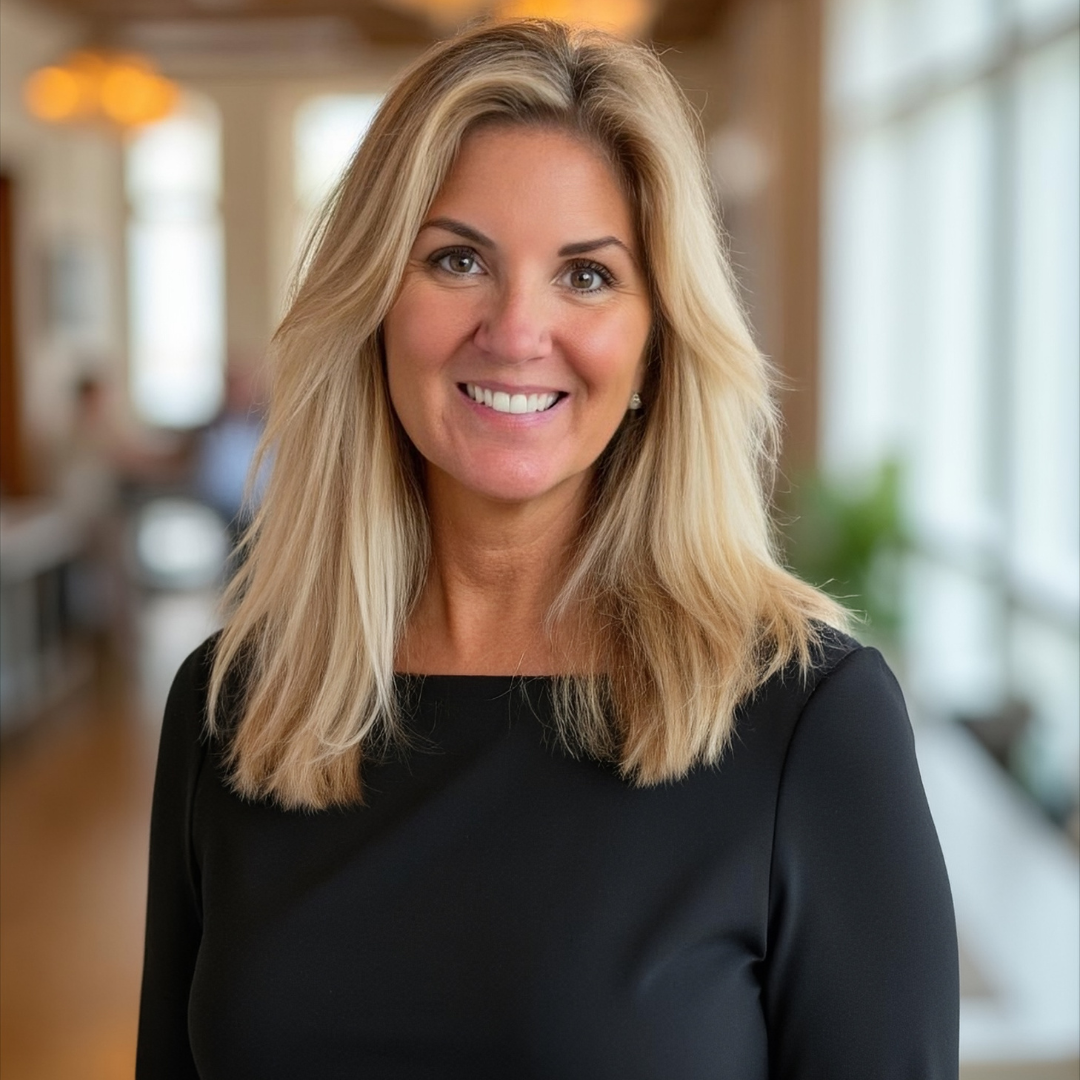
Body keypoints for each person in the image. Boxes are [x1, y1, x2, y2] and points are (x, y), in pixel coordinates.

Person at [136, 19, 959, 1078]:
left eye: (587, 276)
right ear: (374, 304)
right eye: (458, 259)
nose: (517, 331)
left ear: (657, 342)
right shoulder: (239, 705)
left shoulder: (809, 721)